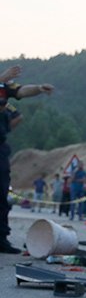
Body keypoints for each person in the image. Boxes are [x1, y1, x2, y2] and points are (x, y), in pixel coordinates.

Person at [1, 66, 54, 253]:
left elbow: (21, 91)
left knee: (2, 194)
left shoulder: (4, 85)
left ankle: (1, 239)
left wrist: (39, 88)